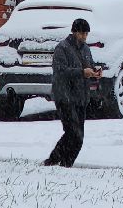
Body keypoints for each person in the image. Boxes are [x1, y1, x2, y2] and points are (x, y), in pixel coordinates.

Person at [43, 17, 101, 167]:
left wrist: (95, 71)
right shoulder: (62, 48)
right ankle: (56, 161)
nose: (84, 37)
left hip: (81, 97)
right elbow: (60, 71)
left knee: (78, 137)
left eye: (86, 34)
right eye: (82, 33)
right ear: (74, 32)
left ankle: (64, 163)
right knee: (73, 133)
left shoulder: (86, 49)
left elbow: (90, 65)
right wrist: (81, 72)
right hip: (65, 96)